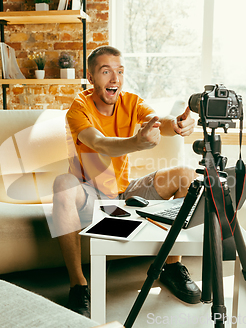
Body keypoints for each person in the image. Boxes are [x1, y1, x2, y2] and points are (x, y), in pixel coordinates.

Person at [52, 45, 200, 317]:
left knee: (187, 176)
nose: (115, 79)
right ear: (90, 77)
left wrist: (176, 125)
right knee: (62, 184)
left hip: (124, 192)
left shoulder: (130, 101)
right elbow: (99, 143)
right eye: (106, 71)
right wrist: (136, 142)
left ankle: (171, 266)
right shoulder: (78, 108)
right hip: (89, 197)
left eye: (119, 71)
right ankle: (78, 285)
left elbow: (159, 121)